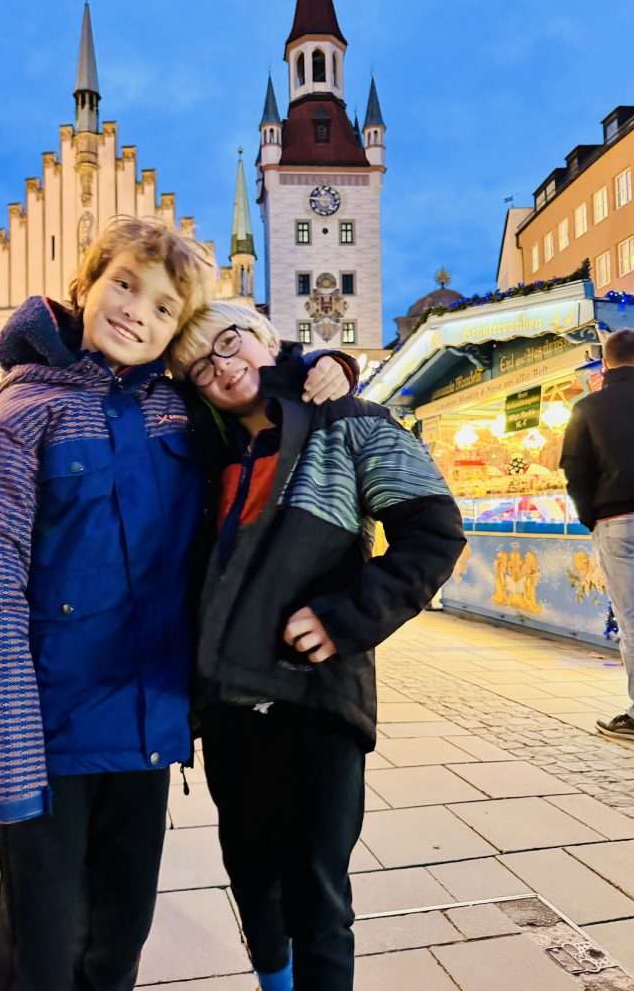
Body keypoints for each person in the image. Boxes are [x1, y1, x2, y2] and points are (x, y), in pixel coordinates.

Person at [0, 217, 351, 991]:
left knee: (119, 941)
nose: (138, 311)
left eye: (165, 308)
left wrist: (320, 364)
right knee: (42, 951)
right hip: (47, 739)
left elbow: (257, 399)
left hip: (145, 732)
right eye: (125, 285)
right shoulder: (19, 417)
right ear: (87, 284)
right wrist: (0, 761)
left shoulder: (177, 411)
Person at [168, 301, 467, 991]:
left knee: (317, 890)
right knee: (249, 872)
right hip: (230, 703)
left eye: (229, 341)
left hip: (316, 699)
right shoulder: (207, 454)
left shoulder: (351, 424)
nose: (222, 367)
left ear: (264, 334)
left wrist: (347, 618)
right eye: (200, 367)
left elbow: (435, 533)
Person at [561, 327, 634, 742]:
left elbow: (575, 470)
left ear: (606, 361)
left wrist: (590, 516)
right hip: (619, 519)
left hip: (618, 522)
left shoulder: (587, 408)